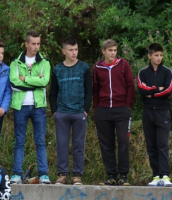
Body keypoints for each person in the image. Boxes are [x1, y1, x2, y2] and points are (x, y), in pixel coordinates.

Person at [9, 30, 51, 184]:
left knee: (40, 141)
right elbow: (14, 82)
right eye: (33, 43)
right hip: (20, 106)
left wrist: (25, 78)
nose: (36, 46)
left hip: (38, 106)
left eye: (38, 43)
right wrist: (35, 81)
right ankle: (17, 174)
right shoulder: (15, 62)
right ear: (26, 44)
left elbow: (44, 82)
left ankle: (43, 174)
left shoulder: (44, 63)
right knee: (19, 141)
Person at [49, 37, 92, 185]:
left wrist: (85, 110)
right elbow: (53, 92)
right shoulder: (57, 69)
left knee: (78, 145)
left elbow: (89, 91)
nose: (74, 53)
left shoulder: (84, 68)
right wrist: (55, 111)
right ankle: (62, 174)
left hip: (79, 112)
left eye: (76, 50)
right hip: (62, 113)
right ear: (64, 51)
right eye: (71, 50)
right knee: (62, 144)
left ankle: (77, 175)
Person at [92, 39, 135, 185]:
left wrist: (127, 106)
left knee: (123, 141)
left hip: (121, 109)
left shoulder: (123, 65)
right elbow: (95, 89)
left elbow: (130, 85)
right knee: (106, 144)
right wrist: (96, 109)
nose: (113, 53)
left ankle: (123, 176)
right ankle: (111, 175)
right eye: (110, 50)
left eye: (115, 50)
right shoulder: (97, 67)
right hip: (103, 110)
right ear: (104, 51)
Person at [137, 43, 172, 187]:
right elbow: (141, 89)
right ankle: (156, 175)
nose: (159, 58)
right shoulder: (143, 72)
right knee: (151, 144)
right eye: (156, 55)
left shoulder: (167, 72)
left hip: (162, 112)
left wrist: (151, 93)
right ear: (149, 56)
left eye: (161, 55)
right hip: (148, 112)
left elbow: (168, 90)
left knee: (162, 144)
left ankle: (165, 176)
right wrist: (157, 89)